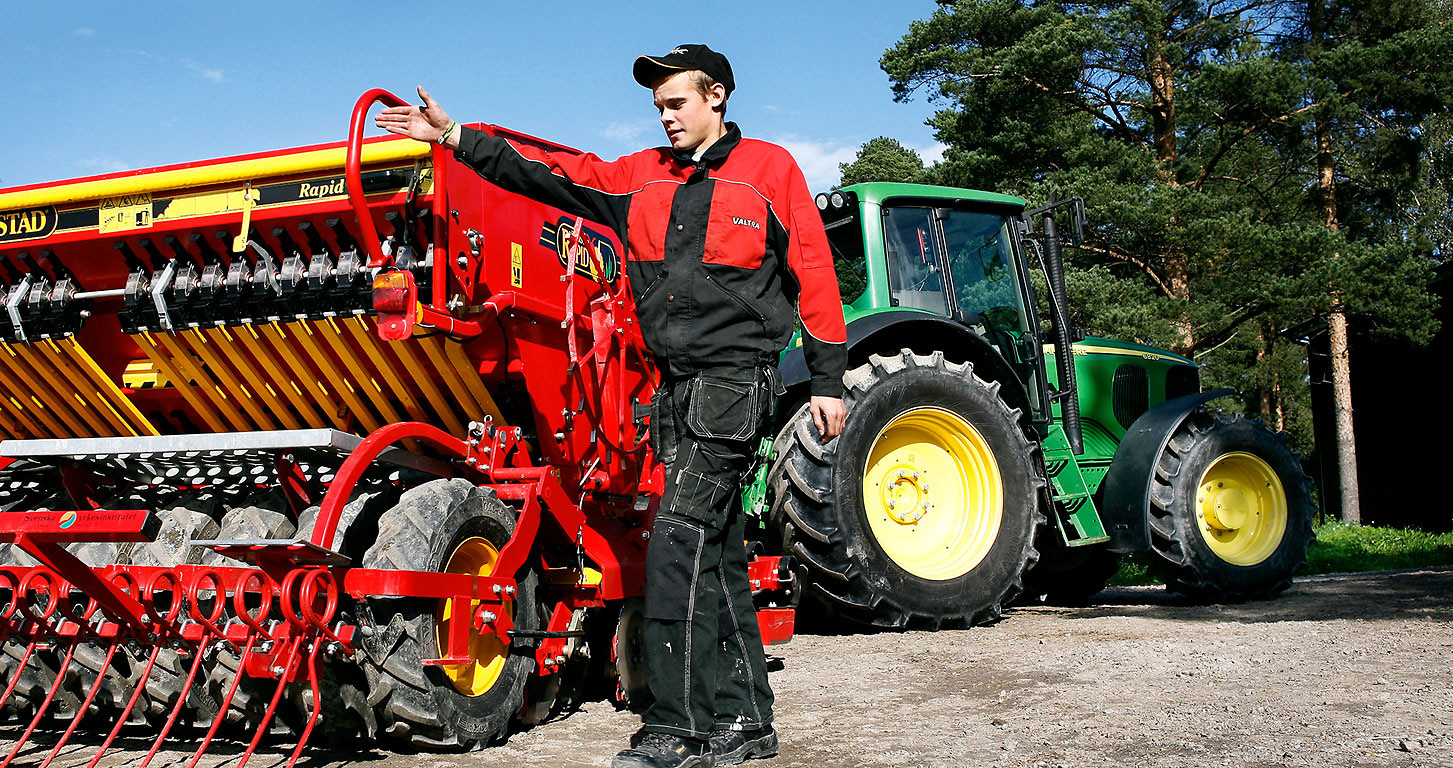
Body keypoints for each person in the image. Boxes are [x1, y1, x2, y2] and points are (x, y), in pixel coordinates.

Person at [376, 44, 847, 768]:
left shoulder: (769, 172)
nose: (665, 117)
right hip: (673, 389)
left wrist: (826, 382)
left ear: (716, 96)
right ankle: (748, 722)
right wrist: (452, 137)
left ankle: (675, 730)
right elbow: (548, 177)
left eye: (676, 103)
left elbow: (812, 273)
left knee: (676, 545)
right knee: (716, 558)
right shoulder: (638, 178)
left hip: (732, 383)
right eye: (657, 107)